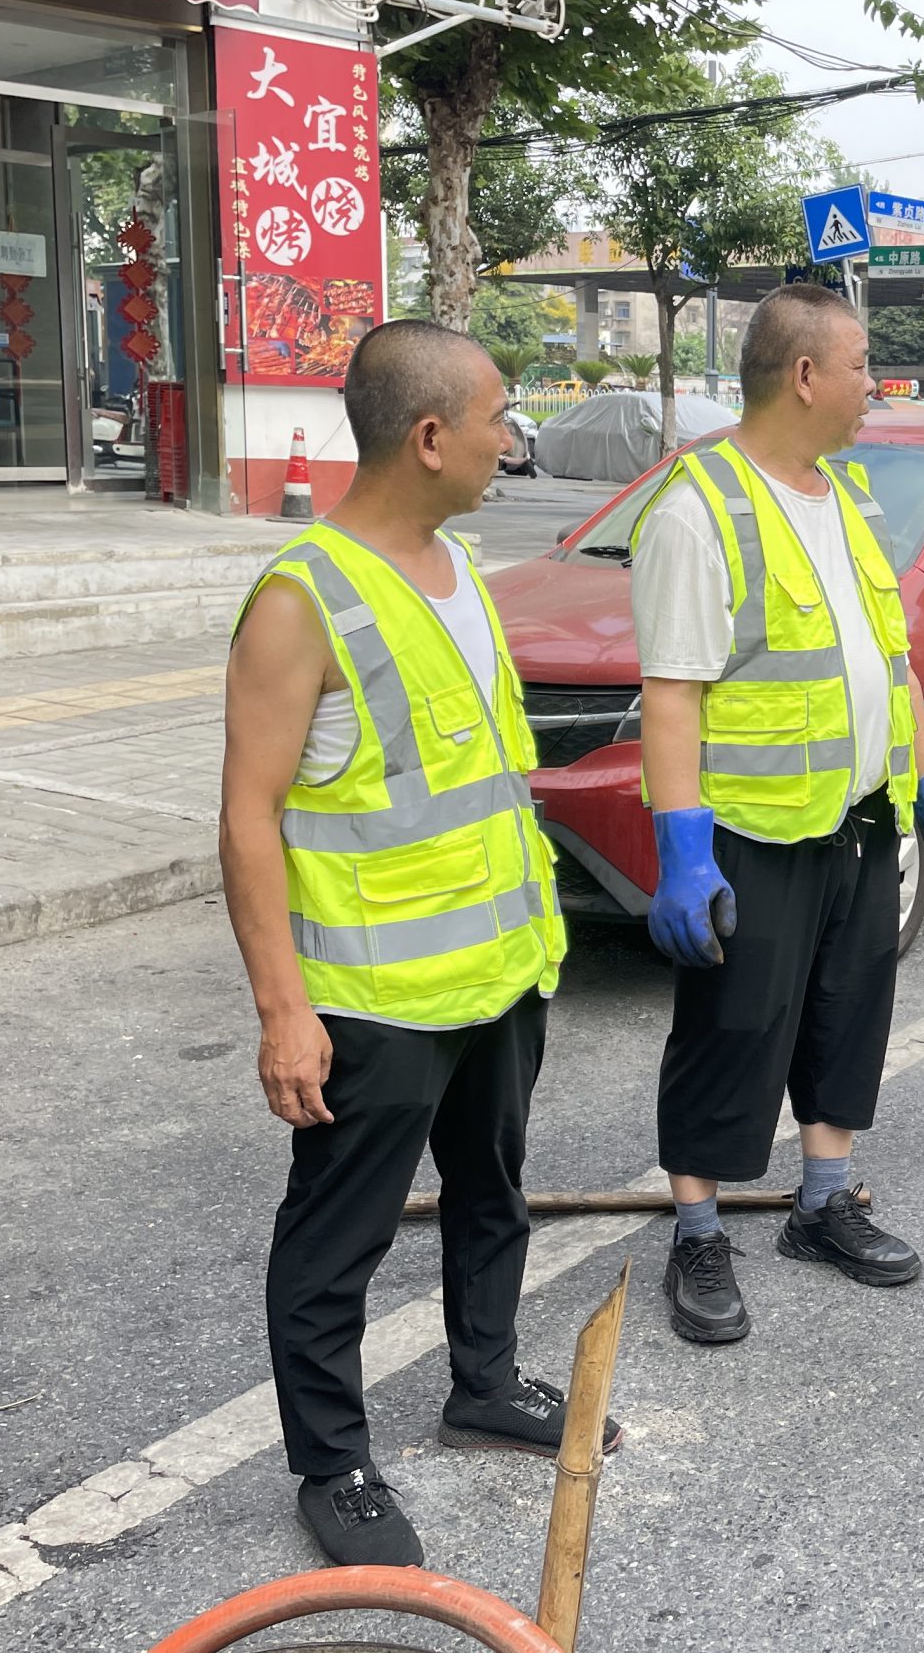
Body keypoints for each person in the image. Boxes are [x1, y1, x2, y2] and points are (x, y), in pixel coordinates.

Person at [222, 318, 590, 1570]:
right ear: (430, 437)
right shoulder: (299, 601)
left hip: (496, 972)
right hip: (372, 998)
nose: (511, 437)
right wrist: (285, 1009)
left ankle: (483, 1380)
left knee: (493, 1197)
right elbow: (247, 817)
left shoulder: (459, 568)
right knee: (337, 1245)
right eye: (498, 417)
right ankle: (332, 1461)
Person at [632, 282, 924, 1346]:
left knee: (846, 1015)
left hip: (859, 821)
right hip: (752, 829)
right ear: (804, 376)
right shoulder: (701, 510)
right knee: (732, 1033)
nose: (875, 384)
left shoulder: (845, 499)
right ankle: (697, 1233)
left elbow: (886, 659)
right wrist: (683, 855)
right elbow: (674, 696)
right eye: (863, 363)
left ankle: (822, 1203)